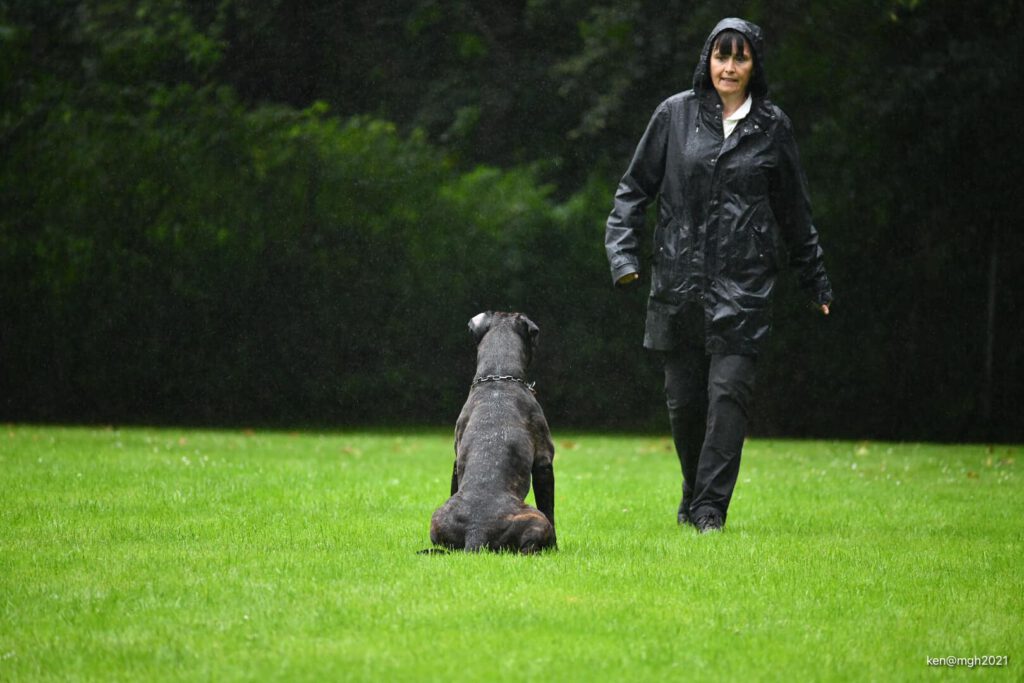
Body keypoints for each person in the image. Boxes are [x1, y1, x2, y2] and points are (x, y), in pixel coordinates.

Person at [604, 17, 833, 533]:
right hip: (677, 287)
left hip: (745, 287)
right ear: (707, 59)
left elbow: (795, 212)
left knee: (728, 396)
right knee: (685, 403)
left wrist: (814, 278)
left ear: (755, 65)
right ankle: (695, 491)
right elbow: (632, 191)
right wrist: (624, 257)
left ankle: (709, 511)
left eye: (741, 57)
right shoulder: (674, 115)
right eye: (721, 55)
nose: (729, 67)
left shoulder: (773, 127)